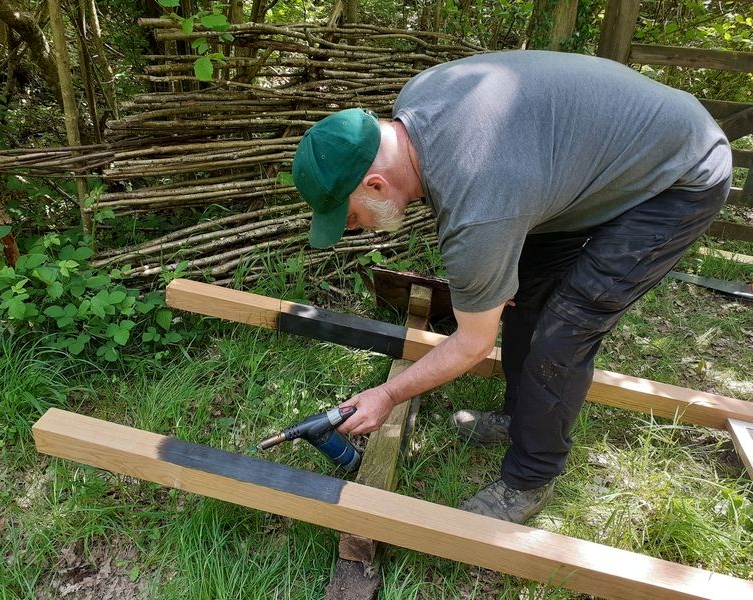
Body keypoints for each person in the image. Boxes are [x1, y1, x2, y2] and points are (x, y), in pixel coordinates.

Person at [290, 50, 731, 524]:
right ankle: (520, 416)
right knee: (524, 295)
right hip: (583, 167)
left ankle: (530, 478)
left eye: (351, 218)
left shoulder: (478, 205)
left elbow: (473, 343)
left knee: (565, 331)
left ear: (376, 185)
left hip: (679, 175)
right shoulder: (417, 102)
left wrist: (388, 394)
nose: (354, 229)